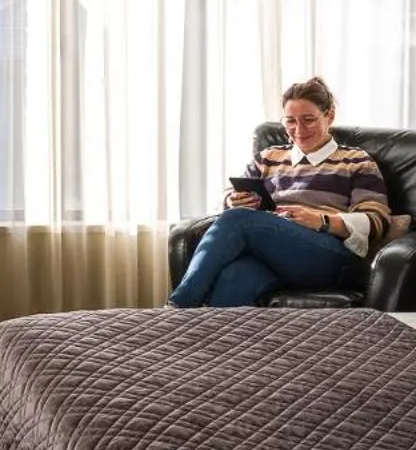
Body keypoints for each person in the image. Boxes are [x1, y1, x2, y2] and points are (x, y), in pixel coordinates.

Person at [167, 77, 393, 308]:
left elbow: (375, 220)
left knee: (238, 221)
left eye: (309, 120)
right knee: (233, 278)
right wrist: (232, 199)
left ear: (330, 116)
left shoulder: (356, 161)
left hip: (327, 255)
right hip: (272, 253)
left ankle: (177, 308)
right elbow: (233, 196)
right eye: (290, 121)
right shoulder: (268, 157)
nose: (299, 130)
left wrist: (322, 220)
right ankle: (209, 341)